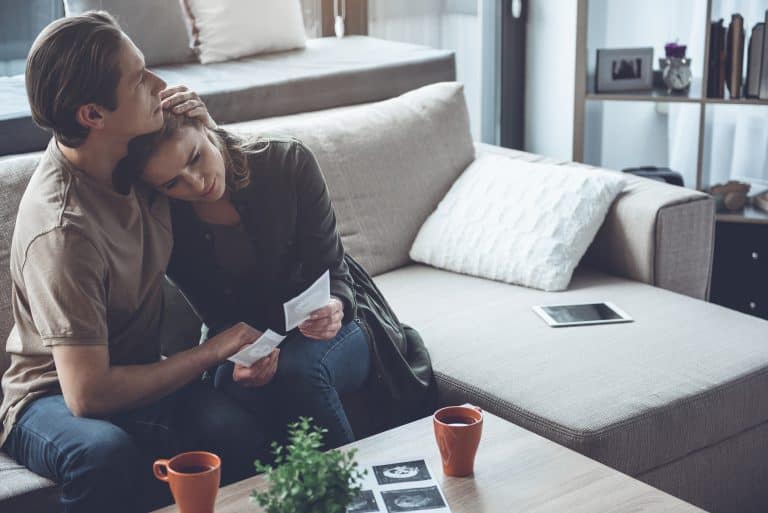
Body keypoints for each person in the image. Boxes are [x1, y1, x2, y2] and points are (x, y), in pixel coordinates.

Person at [0, 12, 273, 513]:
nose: (159, 84)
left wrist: (204, 130)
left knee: (235, 428)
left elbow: (234, 188)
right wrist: (211, 352)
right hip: (48, 396)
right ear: (93, 115)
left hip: (137, 373)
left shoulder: (135, 158)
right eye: (139, 78)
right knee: (103, 453)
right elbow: (87, 395)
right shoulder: (64, 227)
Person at [116, 110, 436, 449]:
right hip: (249, 331)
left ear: (205, 126)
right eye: (171, 183)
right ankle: (281, 495)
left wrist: (334, 306)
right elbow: (217, 317)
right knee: (232, 388)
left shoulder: (286, 161)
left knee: (300, 371)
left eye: (195, 157)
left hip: (338, 315)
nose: (194, 183)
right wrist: (239, 360)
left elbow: (333, 271)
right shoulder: (167, 219)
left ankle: (342, 496)